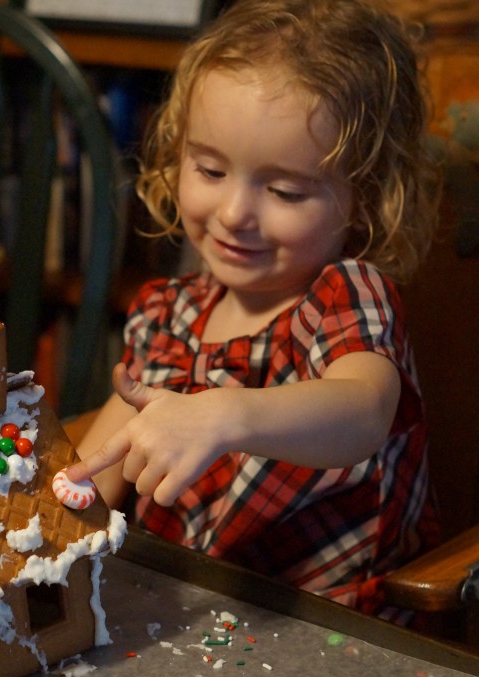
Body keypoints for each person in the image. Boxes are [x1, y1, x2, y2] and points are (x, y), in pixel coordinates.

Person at [67, 0, 441, 618]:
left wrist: (224, 414)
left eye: (285, 190)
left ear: (365, 196)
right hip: (182, 607)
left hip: (328, 629)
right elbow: (97, 474)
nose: (236, 213)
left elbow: (366, 410)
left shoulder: (344, 296)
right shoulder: (169, 312)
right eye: (210, 169)